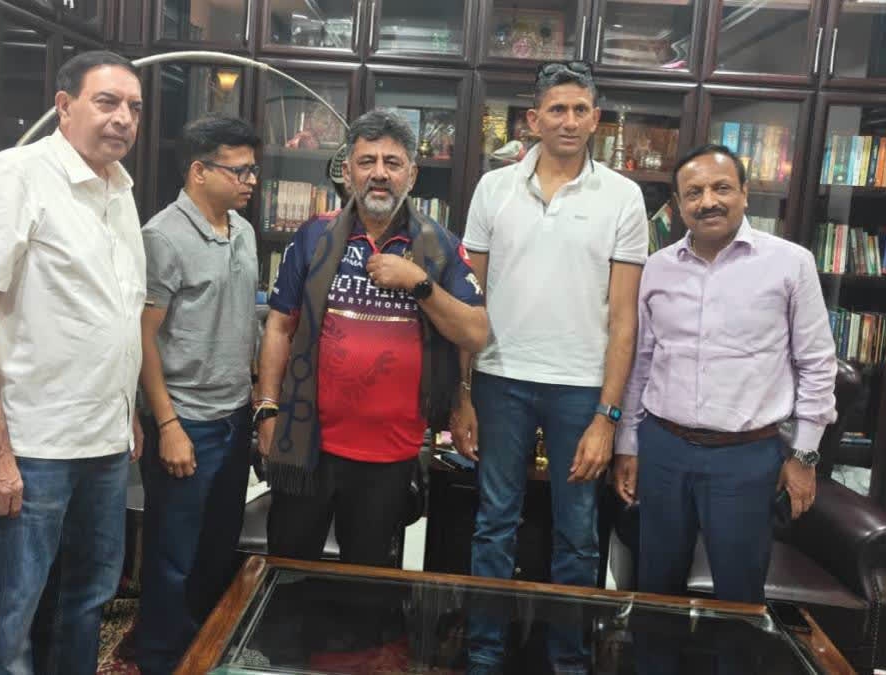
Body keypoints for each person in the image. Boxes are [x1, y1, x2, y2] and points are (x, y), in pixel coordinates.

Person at [0, 50, 144, 674]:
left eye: (134, 107)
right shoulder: (17, 175)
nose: (123, 118)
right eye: (106, 102)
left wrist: (128, 413)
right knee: (12, 618)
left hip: (103, 443)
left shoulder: (120, 190)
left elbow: (113, 314)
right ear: (63, 106)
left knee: (86, 602)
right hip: (28, 447)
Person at [455, 61, 648, 674]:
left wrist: (607, 417)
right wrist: (463, 393)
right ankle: (484, 654)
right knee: (494, 524)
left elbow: (625, 320)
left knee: (578, 534)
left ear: (596, 119)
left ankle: (568, 660)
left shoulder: (623, 196)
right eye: (556, 109)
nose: (568, 120)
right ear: (533, 119)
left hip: (580, 389)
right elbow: (468, 302)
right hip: (499, 378)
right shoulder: (494, 189)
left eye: (580, 109)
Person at [614, 143, 837, 671]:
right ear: (678, 204)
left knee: (739, 596)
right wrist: (628, 444)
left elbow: (817, 363)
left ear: (745, 193)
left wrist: (804, 456)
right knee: (656, 588)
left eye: (721, 188)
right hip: (664, 448)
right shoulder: (657, 268)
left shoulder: (790, 263)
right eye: (693, 193)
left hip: (746, 456)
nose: (708, 201)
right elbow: (641, 364)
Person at [257, 108, 488, 568]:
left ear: (411, 175)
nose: (379, 173)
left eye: (392, 162)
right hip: (308, 443)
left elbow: (476, 333)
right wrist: (266, 407)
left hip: (391, 453)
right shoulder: (314, 237)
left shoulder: (441, 246)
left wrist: (418, 283)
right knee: (288, 573)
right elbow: (280, 326)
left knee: (369, 585)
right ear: (348, 172)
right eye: (367, 161)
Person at [133, 115, 262, 675]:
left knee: (218, 548)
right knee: (173, 556)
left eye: (253, 170)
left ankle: (206, 652)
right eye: (239, 171)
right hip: (187, 420)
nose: (251, 180)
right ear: (198, 171)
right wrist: (167, 425)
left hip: (234, 417)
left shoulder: (244, 230)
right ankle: (161, 659)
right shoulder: (162, 237)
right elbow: (142, 338)